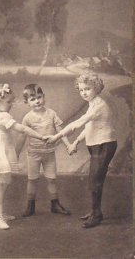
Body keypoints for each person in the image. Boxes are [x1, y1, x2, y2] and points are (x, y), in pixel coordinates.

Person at [46, 72, 117, 228]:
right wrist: (76, 142)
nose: (84, 92)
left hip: (104, 144)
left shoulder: (99, 105)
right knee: (94, 181)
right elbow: (89, 126)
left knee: (94, 181)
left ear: (97, 88)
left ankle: (97, 214)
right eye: (81, 89)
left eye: (88, 89)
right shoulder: (92, 104)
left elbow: (77, 124)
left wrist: (56, 137)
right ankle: (94, 211)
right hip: (96, 145)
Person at [0, 83, 48, 230]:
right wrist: (40, 136)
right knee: (1, 185)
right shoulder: (3, 116)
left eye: (12, 101)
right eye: (9, 102)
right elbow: (21, 128)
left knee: (2, 184)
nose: (11, 105)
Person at [16, 83, 72, 217]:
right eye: (33, 99)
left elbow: (61, 131)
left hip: (49, 154)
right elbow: (22, 136)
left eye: (39, 97)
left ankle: (55, 204)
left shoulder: (51, 113)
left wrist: (68, 145)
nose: (37, 101)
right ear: (27, 102)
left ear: (44, 97)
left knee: (51, 179)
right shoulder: (27, 118)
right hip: (34, 154)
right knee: (32, 180)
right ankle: (30, 206)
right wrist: (15, 154)